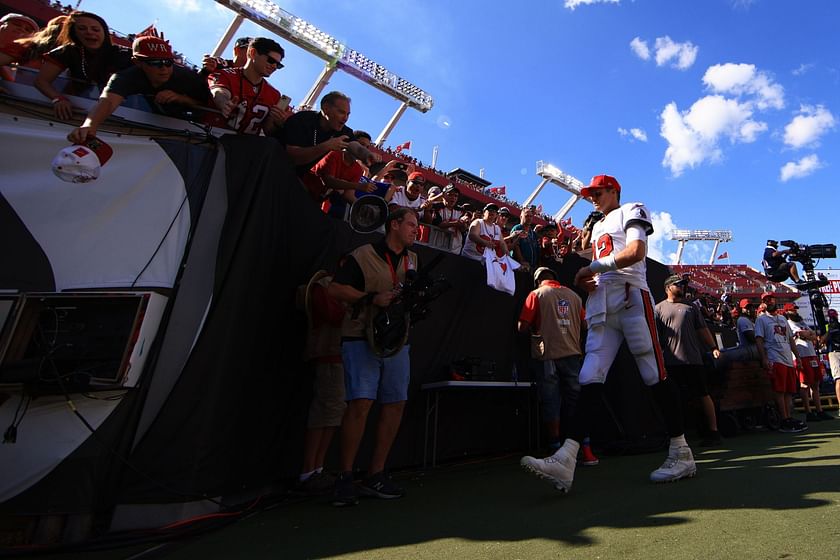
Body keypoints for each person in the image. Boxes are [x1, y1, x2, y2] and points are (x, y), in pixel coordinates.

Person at [521, 174, 696, 493]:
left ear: (614, 191)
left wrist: (594, 269)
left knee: (653, 372)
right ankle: (566, 458)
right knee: (589, 376)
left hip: (631, 297)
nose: (592, 197)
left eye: (597, 192)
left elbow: (636, 252)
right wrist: (586, 280)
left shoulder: (632, 209)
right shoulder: (599, 226)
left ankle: (681, 450)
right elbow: (597, 268)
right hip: (602, 303)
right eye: (590, 194)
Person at [327, 208, 419, 506]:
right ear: (394, 225)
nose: (416, 230)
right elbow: (335, 288)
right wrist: (370, 298)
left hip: (396, 342)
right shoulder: (363, 254)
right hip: (360, 337)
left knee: (395, 404)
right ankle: (344, 476)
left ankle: (376, 473)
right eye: (411, 225)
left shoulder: (413, 260)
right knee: (361, 404)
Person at [518, 267, 598, 465]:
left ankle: (556, 453)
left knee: (551, 402)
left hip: (547, 356)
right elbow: (586, 324)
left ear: (538, 281)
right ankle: (586, 451)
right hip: (572, 354)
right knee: (576, 403)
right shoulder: (574, 296)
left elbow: (522, 327)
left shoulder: (536, 294)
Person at [67, 36, 211, 144]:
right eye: (155, 63)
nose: (164, 68)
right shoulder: (127, 77)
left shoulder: (188, 77)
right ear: (137, 62)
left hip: (187, 127)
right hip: (149, 122)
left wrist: (180, 98)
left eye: (168, 62)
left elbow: (207, 106)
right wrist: (89, 126)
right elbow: (108, 101)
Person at [295, 270, 347, 495]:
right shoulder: (325, 286)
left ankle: (318, 468)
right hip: (329, 356)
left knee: (334, 413)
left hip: (342, 358)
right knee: (324, 411)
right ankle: (309, 471)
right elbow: (335, 316)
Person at [655, 275, 722, 446]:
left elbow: (702, 330)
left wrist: (713, 347)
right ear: (668, 287)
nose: (682, 287)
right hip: (670, 362)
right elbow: (656, 337)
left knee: (703, 395)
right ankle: (676, 436)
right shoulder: (658, 309)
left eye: (683, 284)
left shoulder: (691, 307)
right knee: (672, 398)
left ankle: (713, 432)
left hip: (693, 360)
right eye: (678, 284)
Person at [35, 11, 132, 120]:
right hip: (78, 109)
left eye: (95, 29)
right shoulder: (66, 51)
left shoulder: (125, 54)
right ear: (74, 33)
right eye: (82, 28)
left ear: (104, 32)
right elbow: (41, 81)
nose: (89, 32)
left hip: (123, 113)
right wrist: (58, 99)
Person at [207, 37, 290, 135]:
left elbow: (268, 130)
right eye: (271, 60)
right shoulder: (225, 74)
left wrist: (278, 122)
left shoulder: (274, 95)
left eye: (278, 65)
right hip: (209, 138)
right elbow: (219, 92)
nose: (275, 67)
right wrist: (224, 103)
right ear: (253, 53)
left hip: (246, 147)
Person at [754, 293, 807, 433]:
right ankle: (783, 419)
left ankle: (788, 417)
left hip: (787, 358)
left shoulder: (783, 319)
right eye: (766, 300)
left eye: (771, 299)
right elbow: (759, 340)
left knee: (789, 390)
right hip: (774, 357)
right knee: (780, 390)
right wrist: (764, 358)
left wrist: (798, 357)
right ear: (763, 303)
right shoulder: (762, 320)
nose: (769, 302)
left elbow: (790, 339)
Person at [277, 90, 361, 177]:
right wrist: (326, 146)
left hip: (294, 177)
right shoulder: (302, 119)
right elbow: (291, 158)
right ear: (326, 108)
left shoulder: (343, 131)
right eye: (341, 112)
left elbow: (356, 146)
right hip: (274, 168)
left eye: (348, 114)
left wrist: (368, 155)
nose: (345, 118)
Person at [784, 303, 832, 421]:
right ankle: (808, 412)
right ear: (787, 312)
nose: (795, 312)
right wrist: (807, 335)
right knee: (805, 384)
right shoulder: (788, 324)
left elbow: (813, 335)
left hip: (811, 354)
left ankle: (819, 410)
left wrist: (808, 335)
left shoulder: (802, 322)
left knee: (815, 384)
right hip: (801, 356)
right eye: (792, 310)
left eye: (795, 310)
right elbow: (803, 335)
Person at [821, 309, 840, 418]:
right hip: (834, 353)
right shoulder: (826, 327)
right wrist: (829, 331)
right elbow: (822, 340)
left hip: (836, 352)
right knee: (839, 379)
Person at [510, 206, 539, 272]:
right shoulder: (517, 228)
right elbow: (516, 246)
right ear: (521, 217)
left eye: (531, 216)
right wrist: (522, 261)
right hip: (519, 265)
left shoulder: (533, 233)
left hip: (532, 267)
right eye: (527, 216)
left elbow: (536, 249)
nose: (529, 218)